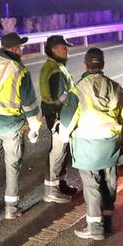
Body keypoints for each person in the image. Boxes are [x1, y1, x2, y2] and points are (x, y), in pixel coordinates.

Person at [61, 48, 123, 240]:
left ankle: (95, 227)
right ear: (102, 64)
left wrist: (63, 138)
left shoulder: (77, 89)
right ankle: (107, 220)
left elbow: (68, 120)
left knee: (92, 185)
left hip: (86, 143)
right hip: (110, 142)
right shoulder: (115, 87)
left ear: (86, 64)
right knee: (109, 181)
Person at [0, 31, 42, 219]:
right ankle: (11, 209)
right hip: (12, 126)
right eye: (21, 47)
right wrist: (34, 128)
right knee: (12, 166)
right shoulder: (19, 69)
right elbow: (29, 104)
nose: (22, 51)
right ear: (14, 49)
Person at [38, 34, 80, 203]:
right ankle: (52, 190)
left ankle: (61, 183)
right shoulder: (55, 70)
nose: (67, 49)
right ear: (54, 49)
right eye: (64, 47)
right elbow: (61, 98)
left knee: (61, 152)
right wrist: (73, 109)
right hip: (58, 116)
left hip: (56, 114)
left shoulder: (56, 66)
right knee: (57, 152)